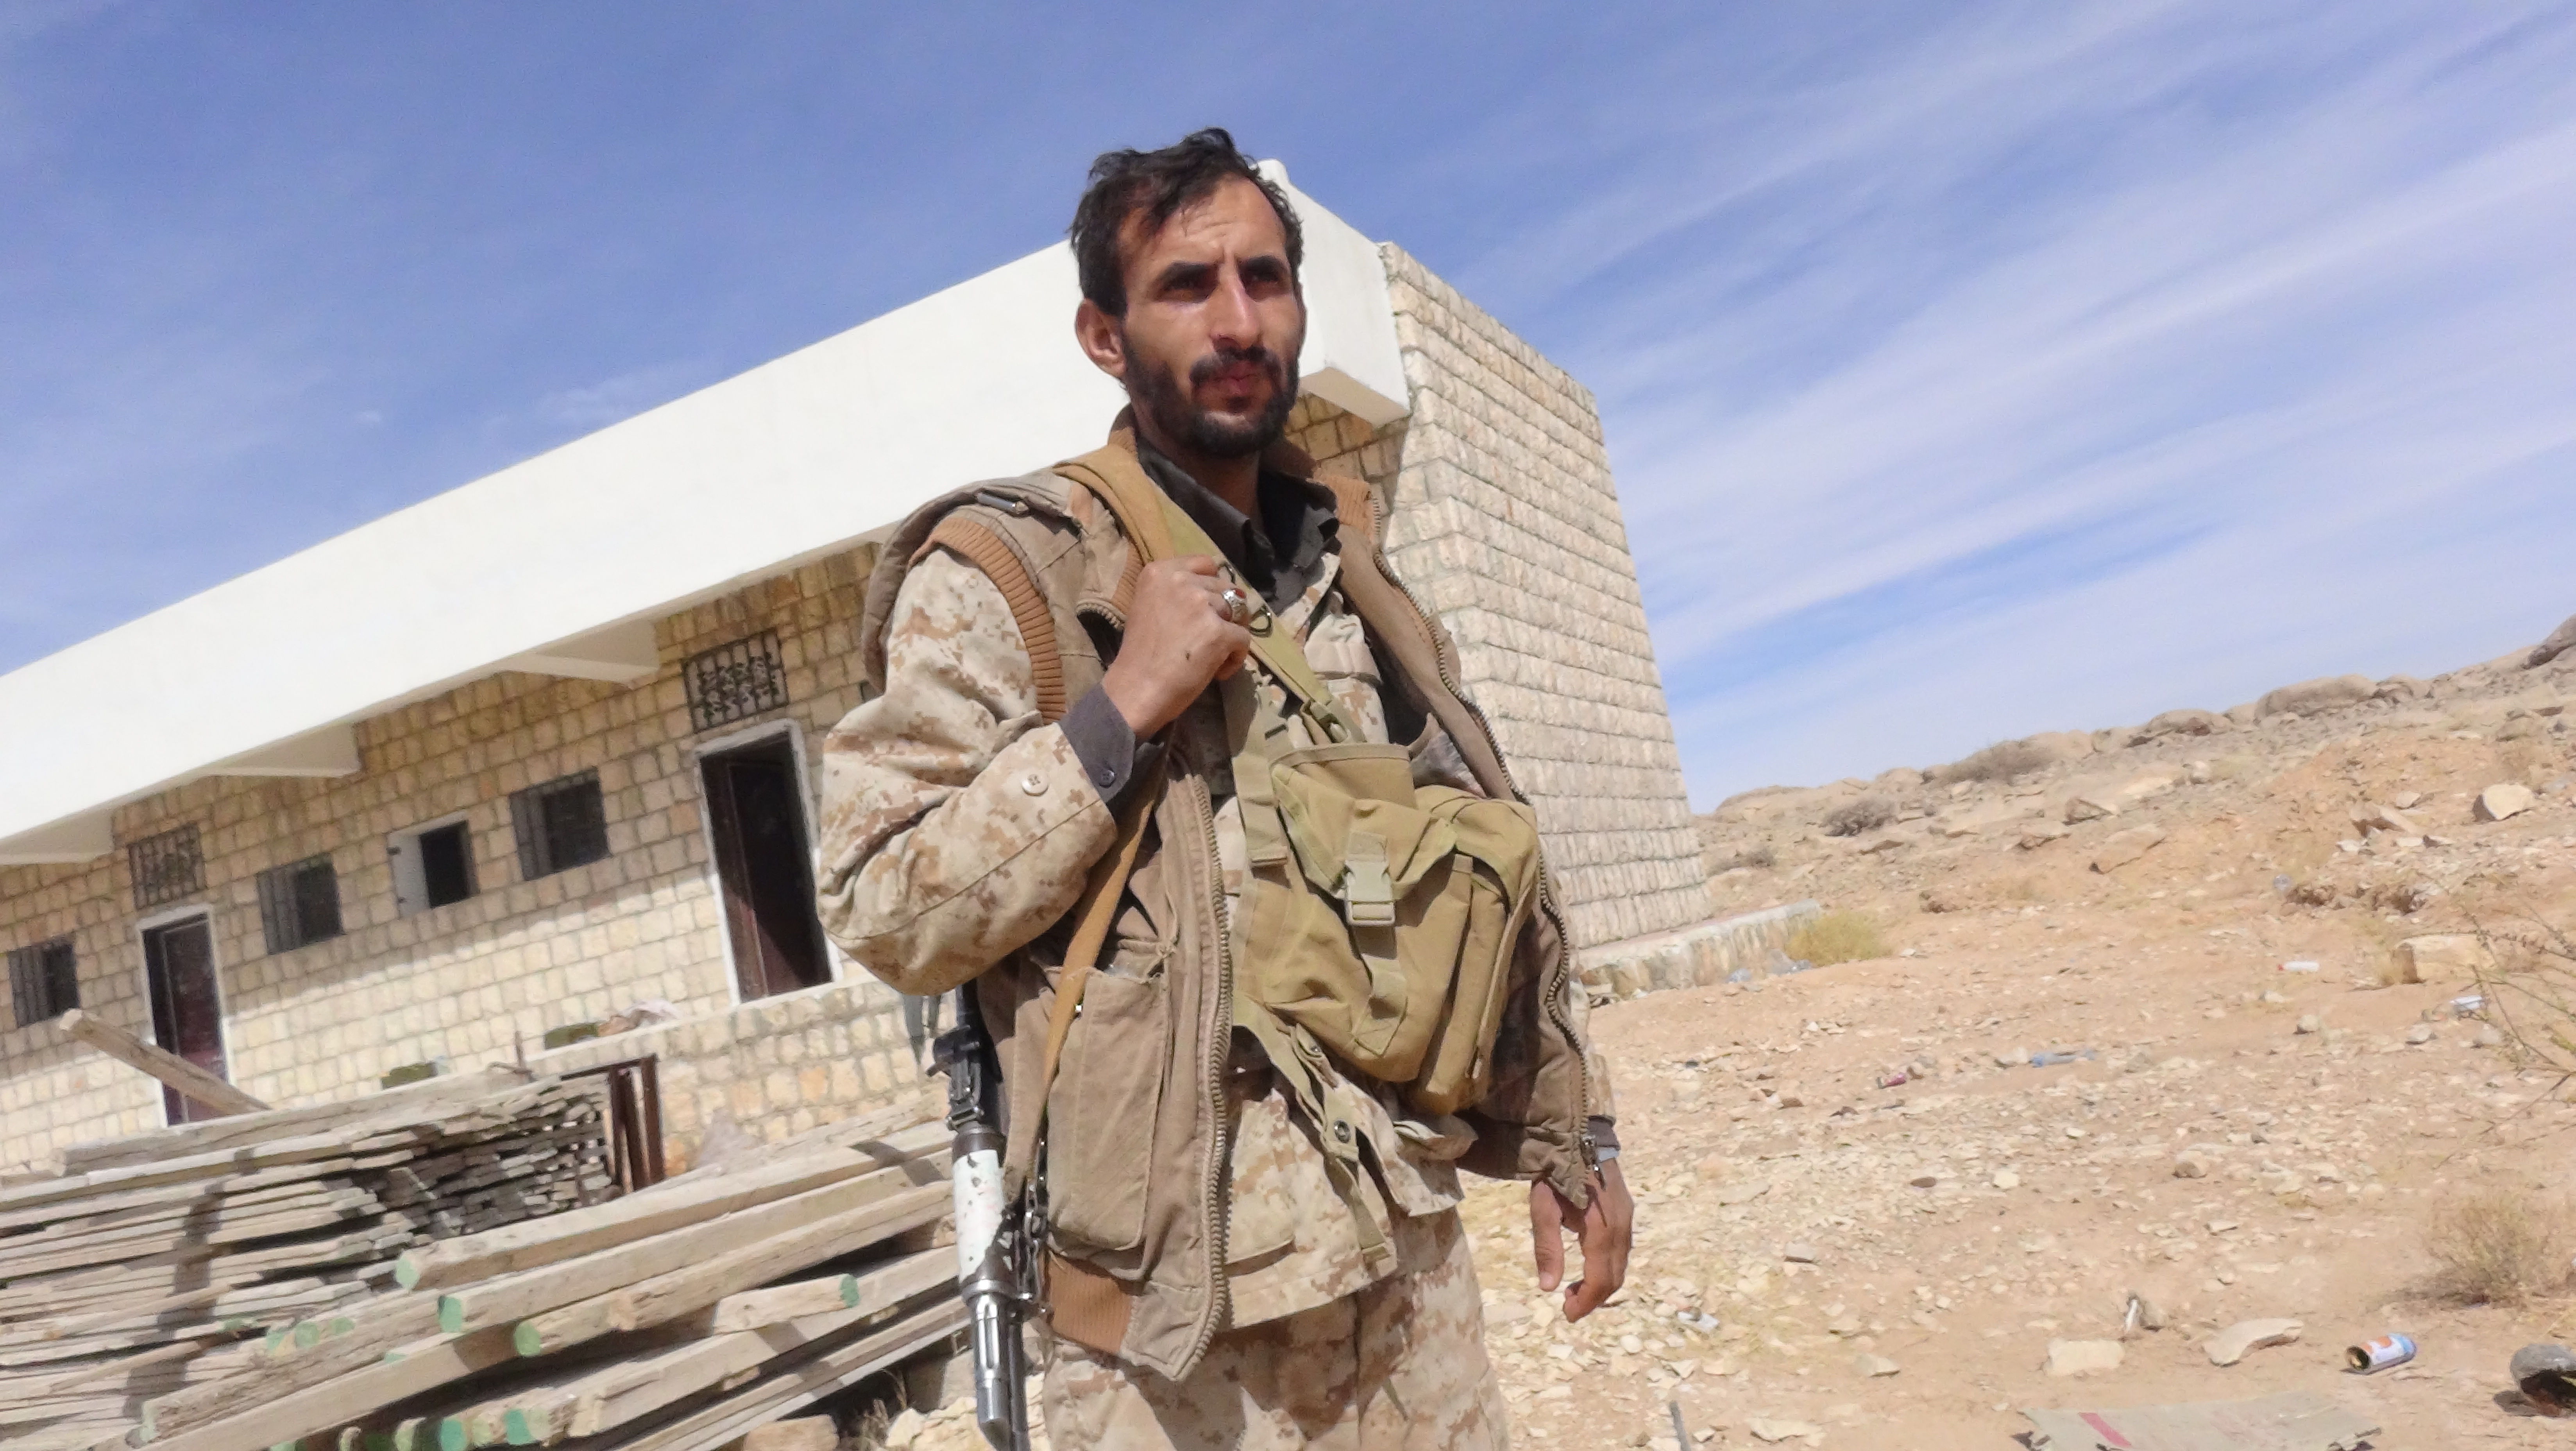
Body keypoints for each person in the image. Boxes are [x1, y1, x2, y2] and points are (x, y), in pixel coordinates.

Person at [816, 128, 1631, 1450]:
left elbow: (1486, 864)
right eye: (1187, 286)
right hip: (1165, 1343)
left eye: (1266, 279)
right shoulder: (1011, 576)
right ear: (1105, 335)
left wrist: (1571, 1136)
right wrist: (1121, 709)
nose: (1238, 321)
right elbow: (884, 904)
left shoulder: (1351, 577)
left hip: (1406, 1288)